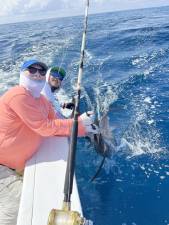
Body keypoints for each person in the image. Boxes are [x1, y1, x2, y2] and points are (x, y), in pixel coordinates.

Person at [0, 59, 98, 225]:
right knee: (19, 209)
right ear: (22, 73)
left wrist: (85, 131)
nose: (37, 74)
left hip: (15, 166)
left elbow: (55, 124)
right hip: (3, 168)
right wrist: (78, 123)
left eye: (41, 71)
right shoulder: (18, 95)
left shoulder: (42, 100)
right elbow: (45, 127)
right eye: (31, 70)